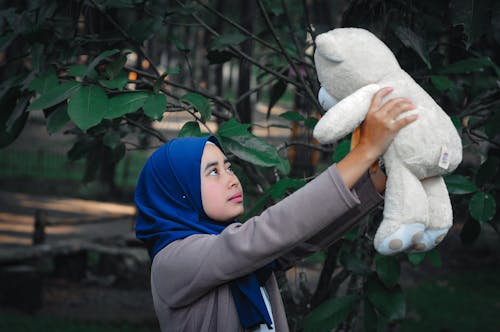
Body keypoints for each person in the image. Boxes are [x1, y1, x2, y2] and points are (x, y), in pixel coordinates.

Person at [134, 87, 417, 331]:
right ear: (180, 194)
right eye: (212, 172)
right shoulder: (172, 261)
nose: (231, 179)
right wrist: (364, 150)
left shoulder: (233, 251)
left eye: (228, 167)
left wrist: (374, 182)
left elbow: (301, 239)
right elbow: (270, 232)